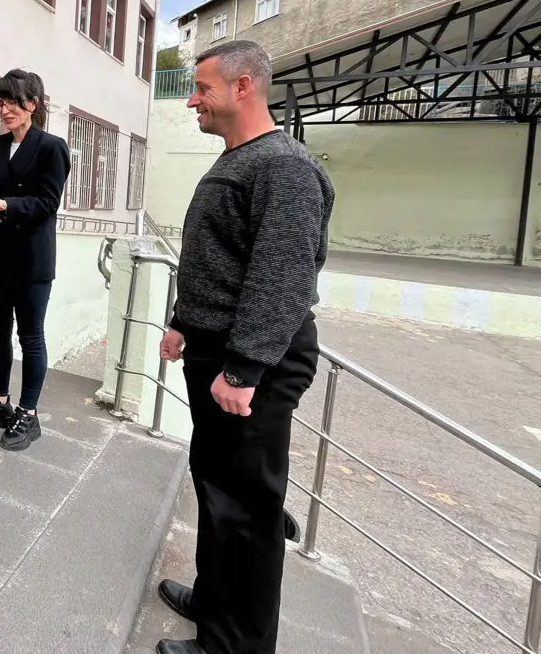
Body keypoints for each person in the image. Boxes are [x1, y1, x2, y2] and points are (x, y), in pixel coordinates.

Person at [153, 40, 334, 654]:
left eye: (201, 88)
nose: (192, 101)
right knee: (217, 489)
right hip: (220, 351)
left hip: (251, 366)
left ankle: (233, 645)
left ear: (243, 86)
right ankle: (214, 601)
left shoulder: (283, 167)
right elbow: (221, 260)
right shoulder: (243, 159)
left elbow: (281, 276)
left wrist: (244, 368)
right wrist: (183, 321)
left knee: (247, 511)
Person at [0, 70, 70, 451]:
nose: (4, 109)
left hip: (32, 257)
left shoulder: (52, 148)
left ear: (33, 103)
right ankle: (0, 401)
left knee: (31, 336)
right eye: (0, 102)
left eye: (12, 101)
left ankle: (28, 412)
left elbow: (47, 203)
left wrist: (6, 204)